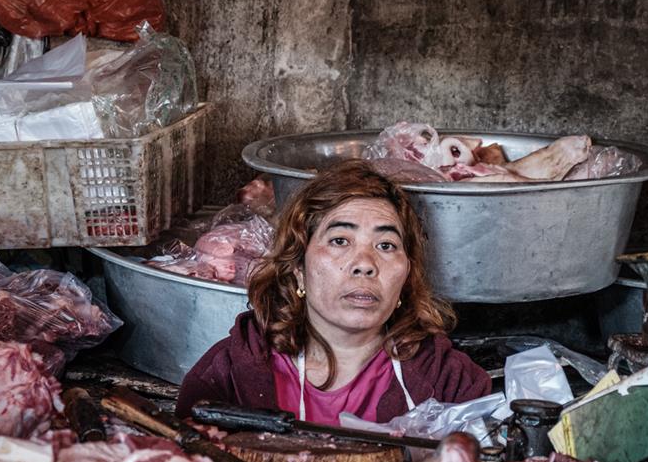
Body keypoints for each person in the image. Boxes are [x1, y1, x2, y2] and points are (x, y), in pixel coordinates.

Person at [176, 160, 490, 425]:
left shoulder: (450, 381)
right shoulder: (230, 372)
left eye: (386, 245)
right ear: (298, 267)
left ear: (406, 278)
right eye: (340, 240)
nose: (365, 264)